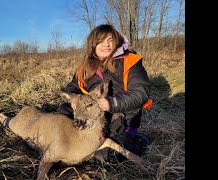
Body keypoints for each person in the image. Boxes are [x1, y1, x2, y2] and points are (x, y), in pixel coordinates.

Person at [57, 24, 152, 161]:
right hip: (92, 115)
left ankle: (139, 141)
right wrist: (73, 99)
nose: (107, 45)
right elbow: (73, 86)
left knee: (107, 156)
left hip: (122, 119)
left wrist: (112, 103)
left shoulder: (130, 62)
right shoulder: (84, 67)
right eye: (101, 41)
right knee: (62, 113)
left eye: (110, 40)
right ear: (93, 45)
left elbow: (141, 91)